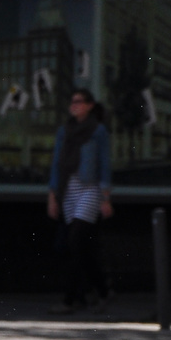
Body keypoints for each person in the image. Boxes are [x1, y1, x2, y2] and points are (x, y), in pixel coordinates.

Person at [47, 88, 114, 313]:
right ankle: (100, 290)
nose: (74, 105)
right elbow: (57, 164)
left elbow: (104, 165)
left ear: (89, 105)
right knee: (78, 248)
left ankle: (70, 300)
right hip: (69, 191)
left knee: (76, 240)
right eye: (72, 101)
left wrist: (105, 198)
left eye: (79, 101)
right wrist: (53, 196)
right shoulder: (64, 131)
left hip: (90, 189)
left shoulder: (98, 131)